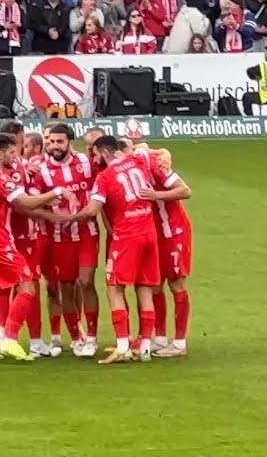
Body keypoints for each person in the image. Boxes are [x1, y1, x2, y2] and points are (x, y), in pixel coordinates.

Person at [54, 135, 160, 364]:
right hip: (149, 233)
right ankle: (145, 347)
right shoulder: (138, 161)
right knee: (144, 288)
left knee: (115, 289)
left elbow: (92, 210)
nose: (93, 157)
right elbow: (146, 147)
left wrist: (71, 218)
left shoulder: (105, 177)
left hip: (126, 236)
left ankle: (123, 346)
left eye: (95, 153)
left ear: (104, 152)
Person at [0, 132, 64, 362]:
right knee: (27, 287)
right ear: (0, 153)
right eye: (11, 153)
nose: (14, 156)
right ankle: (9, 338)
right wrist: (55, 193)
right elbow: (23, 203)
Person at [29, 123, 102, 358]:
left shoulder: (86, 162)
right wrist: (49, 205)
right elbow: (33, 200)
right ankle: (76, 338)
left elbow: (117, 157)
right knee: (65, 288)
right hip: (59, 237)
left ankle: (91, 337)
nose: (54, 146)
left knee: (86, 282)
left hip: (86, 232)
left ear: (70, 142)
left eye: (59, 142)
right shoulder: (41, 169)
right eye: (50, 142)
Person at [140, 151, 194, 358]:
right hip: (155, 235)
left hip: (173, 231)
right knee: (155, 285)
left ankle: (179, 343)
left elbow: (185, 191)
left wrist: (156, 195)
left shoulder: (153, 166)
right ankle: (161, 338)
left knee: (176, 283)